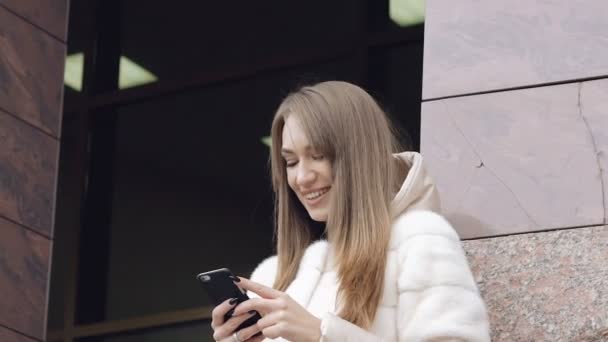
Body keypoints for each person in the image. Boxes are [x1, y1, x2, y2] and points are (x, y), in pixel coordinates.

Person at [210, 81, 490, 342]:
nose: (302, 177)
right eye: (291, 162)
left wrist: (322, 334)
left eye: (318, 156)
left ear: (358, 155)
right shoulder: (274, 275)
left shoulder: (419, 241)